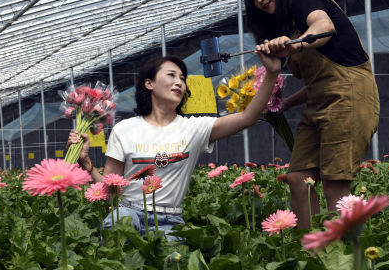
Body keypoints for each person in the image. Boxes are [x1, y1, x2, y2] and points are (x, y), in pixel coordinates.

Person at [70, 52, 280, 238]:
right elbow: (112, 191)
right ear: (149, 83)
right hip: (127, 213)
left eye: (182, 78)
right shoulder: (124, 129)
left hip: (169, 220)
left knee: (171, 266)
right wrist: (86, 163)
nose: (179, 82)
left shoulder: (195, 128)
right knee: (117, 242)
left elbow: (247, 118)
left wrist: (270, 75)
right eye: (171, 75)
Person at [243, 0, 380, 229]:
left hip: (350, 98)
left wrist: (295, 45)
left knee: (334, 181)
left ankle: (342, 257)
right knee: (297, 179)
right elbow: (320, 82)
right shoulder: (283, 26)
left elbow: (324, 25)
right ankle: (310, 250)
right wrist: (284, 104)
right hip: (320, 103)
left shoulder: (303, 1)